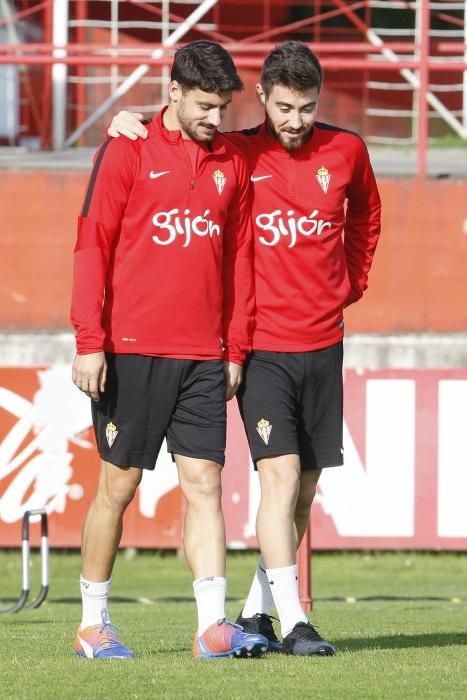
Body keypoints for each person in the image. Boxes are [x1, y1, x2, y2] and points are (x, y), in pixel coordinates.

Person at [108, 40, 381, 657]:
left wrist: (351, 282)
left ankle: (256, 613)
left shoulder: (347, 151)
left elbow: (366, 216)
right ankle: (297, 622)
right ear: (262, 98)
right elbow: (172, 134)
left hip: (324, 343)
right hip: (259, 348)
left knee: (304, 491)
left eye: (306, 108)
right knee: (279, 478)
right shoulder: (236, 151)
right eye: (284, 107)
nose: (295, 120)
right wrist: (127, 121)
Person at [70, 40, 269, 660]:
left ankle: (212, 626)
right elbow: (91, 246)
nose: (216, 118)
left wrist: (234, 348)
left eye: (223, 107)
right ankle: (92, 624)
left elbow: (239, 257)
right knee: (119, 487)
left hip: (204, 356)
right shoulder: (126, 148)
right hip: (130, 352)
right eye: (206, 105)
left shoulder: (231, 160)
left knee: (205, 483)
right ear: (174, 91)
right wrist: (89, 342)